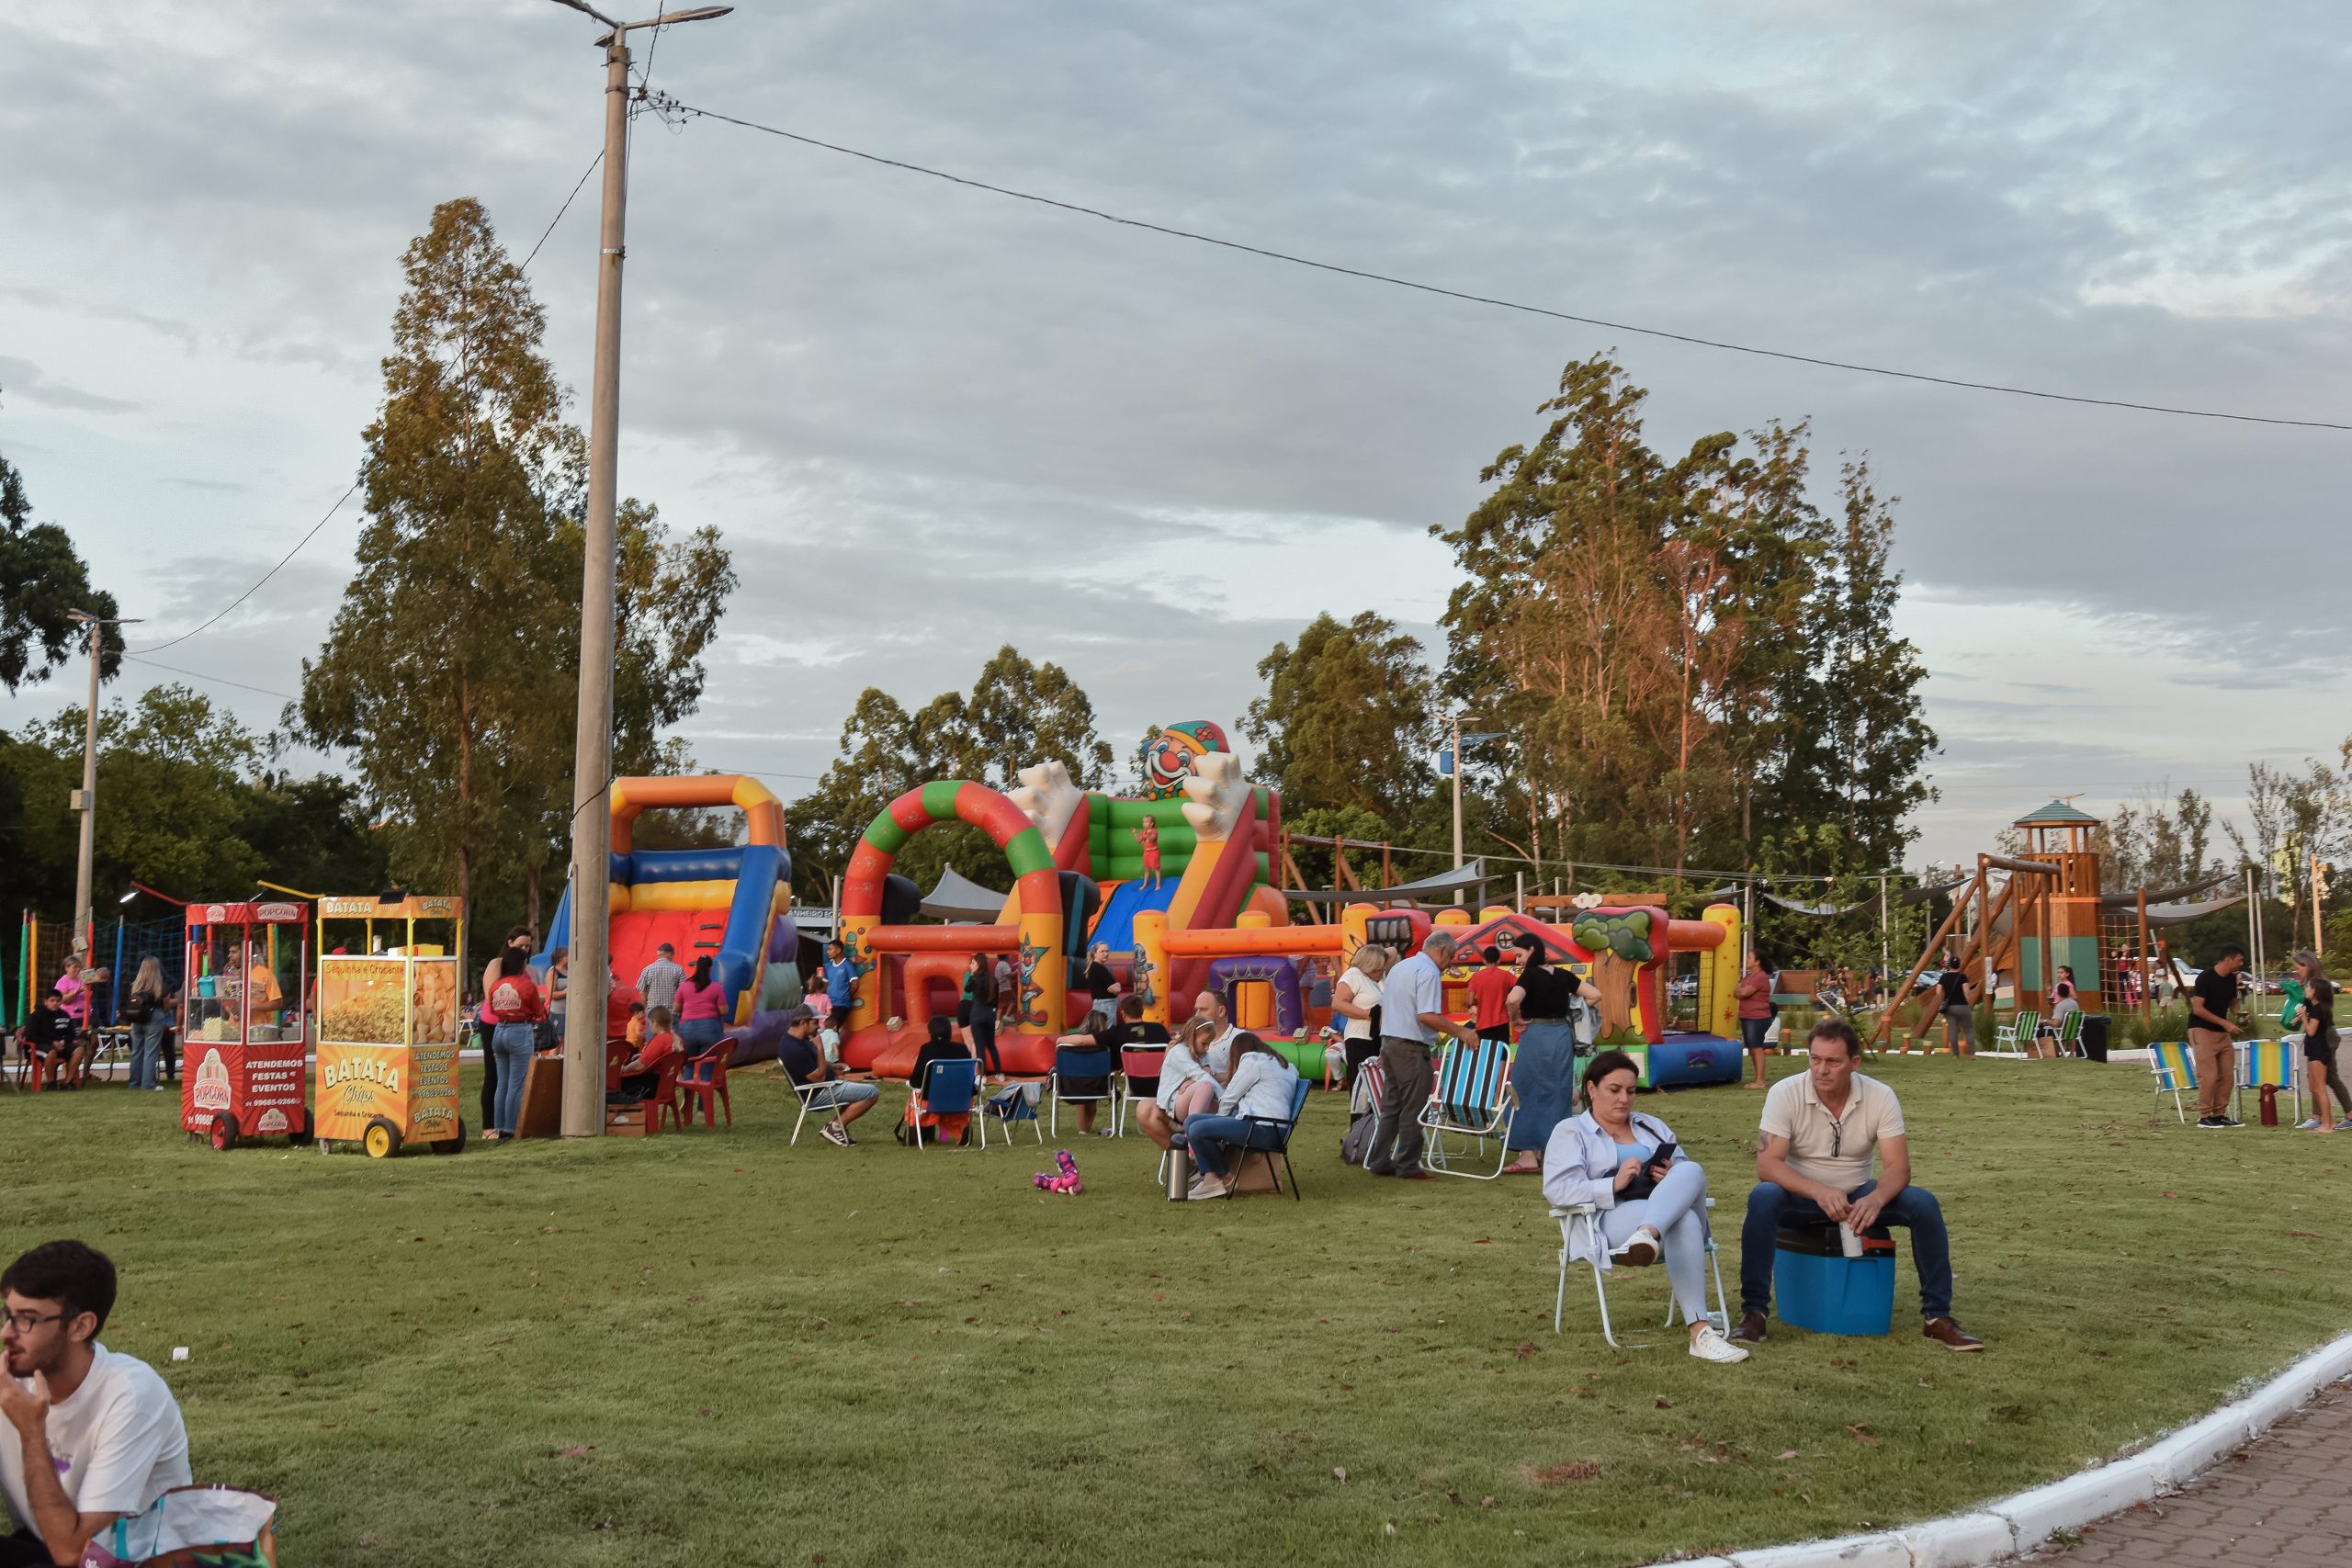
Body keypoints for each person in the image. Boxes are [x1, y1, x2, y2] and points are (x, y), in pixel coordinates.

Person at [1731, 1018, 1981, 1351]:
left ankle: (1938, 1317)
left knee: (1923, 1204)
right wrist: (1818, 1190)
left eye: (1833, 1062)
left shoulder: (1880, 1096)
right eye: (1815, 1059)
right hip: (1802, 1198)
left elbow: (1898, 1167)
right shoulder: (1785, 1093)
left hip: (1858, 1195)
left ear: (1855, 1063)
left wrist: (1876, 1199)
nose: (1821, 1070)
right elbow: (1768, 1164)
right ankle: (1754, 1313)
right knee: (1764, 1196)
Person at [1541, 1051, 1748, 1364]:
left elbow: (1687, 1178)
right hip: (1609, 1222)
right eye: (1615, 1090)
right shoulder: (1571, 1132)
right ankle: (1701, 1331)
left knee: (1690, 1172)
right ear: (1592, 1089)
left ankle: (1650, 1238)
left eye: (1631, 1091)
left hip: (1658, 1221)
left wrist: (1668, 1175)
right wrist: (1613, 1184)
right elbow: (1558, 1190)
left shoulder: (1651, 1126)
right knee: (1685, 1220)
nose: (1624, 1099)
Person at [0, 1241, 190, 1568]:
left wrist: (31, 1431)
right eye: (8, 1315)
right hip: (46, 1545)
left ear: (80, 1326)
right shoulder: (12, 1382)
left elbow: (74, 1554)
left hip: (129, 1558)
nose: (7, 1333)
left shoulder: (131, 1396)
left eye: (27, 1320)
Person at [1364, 931, 1476, 1181]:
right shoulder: (1429, 973)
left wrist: (1386, 1041)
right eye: (1451, 957)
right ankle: (1408, 1165)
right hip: (1411, 1046)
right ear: (1442, 951)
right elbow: (1426, 1016)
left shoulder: (1400, 967)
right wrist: (1461, 1031)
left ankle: (1379, 1160)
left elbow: (1387, 1008)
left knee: (1392, 1106)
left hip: (1390, 1041)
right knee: (1414, 1107)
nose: (1450, 963)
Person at [1500, 932, 1600, 1176]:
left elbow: (1512, 999)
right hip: (1561, 1037)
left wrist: (1515, 1019)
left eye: (1519, 955)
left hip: (1536, 1034)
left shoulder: (1530, 975)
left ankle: (1527, 1155)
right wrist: (1574, 1012)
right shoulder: (1564, 975)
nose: (1518, 961)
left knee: (1524, 1091)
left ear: (1531, 950)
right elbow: (1595, 995)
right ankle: (1550, 1153)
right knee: (1557, 1093)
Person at [1180, 1032, 1301, 1201]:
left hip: (1261, 1128)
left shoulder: (1252, 1061)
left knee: (1197, 1129)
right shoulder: (1285, 1065)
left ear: (1238, 1052)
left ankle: (1223, 1178)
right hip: (1275, 1129)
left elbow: (1229, 1098)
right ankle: (1212, 1179)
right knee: (1191, 1121)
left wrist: (1220, 1121)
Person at [777, 1005, 876, 1148]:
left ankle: (837, 1127)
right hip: (816, 1094)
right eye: (815, 1022)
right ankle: (835, 1127)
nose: (819, 1027)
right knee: (872, 1093)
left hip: (826, 1087)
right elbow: (819, 1077)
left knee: (863, 1092)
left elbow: (813, 1062)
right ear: (803, 1023)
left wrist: (833, 1067)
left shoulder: (801, 1038)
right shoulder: (792, 1049)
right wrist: (820, 1048)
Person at [481, 949, 546, 1142]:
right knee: (516, 1085)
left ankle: (498, 1126)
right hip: (519, 1031)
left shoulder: (496, 986)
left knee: (501, 1083)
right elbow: (538, 1011)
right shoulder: (526, 985)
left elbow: (492, 1007)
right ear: (521, 964)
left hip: (499, 1030)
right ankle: (510, 1129)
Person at [475, 928, 533, 1141]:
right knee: (494, 1074)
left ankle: (510, 1125)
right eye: (520, 945)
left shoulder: (527, 968)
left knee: (515, 1078)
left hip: (519, 1027)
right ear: (509, 943)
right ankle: (489, 1127)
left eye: (527, 946)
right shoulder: (496, 964)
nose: (524, 949)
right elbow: (492, 995)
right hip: (494, 1024)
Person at [1136, 1017, 1221, 1150]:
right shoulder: (1178, 1052)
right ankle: (1192, 1135)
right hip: (1174, 1105)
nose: (1207, 1048)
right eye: (1204, 1043)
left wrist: (1195, 1079)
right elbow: (1201, 1075)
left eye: (1209, 1044)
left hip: (1188, 1100)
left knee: (1208, 1088)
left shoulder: (1202, 1053)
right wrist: (1224, 1098)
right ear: (1192, 1037)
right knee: (1206, 1086)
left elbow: (1208, 1073)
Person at [2187, 944, 2246, 1129]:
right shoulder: (2205, 978)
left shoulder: (2231, 979)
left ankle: (2219, 1115)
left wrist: (2238, 1015)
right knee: (2209, 1075)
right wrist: (2224, 1022)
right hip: (2201, 1030)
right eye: (2239, 960)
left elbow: (2233, 1002)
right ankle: (2205, 1116)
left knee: (2227, 1076)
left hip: (2222, 1033)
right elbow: (2198, 1009)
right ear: (2228, 959)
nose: (2241, 964)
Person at [2289, 952, 2346, 1134]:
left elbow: (2312, 1030)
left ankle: (2326, 1123)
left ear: (2315, 991)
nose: (2305, 989)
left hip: (2320, 1047)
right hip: (2316, 1047)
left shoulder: (2318, 1007)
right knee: (2316, 1084)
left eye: (2308, 988)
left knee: (2321, 1086)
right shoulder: (2318, 1005)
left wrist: (2304, 1018)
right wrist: (2301, 1017)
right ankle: (2326, 1121)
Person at [901, 1016, 978, 1146]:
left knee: (916, 1099)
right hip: (961, 1101)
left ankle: (915, 1127)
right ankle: (962, 1127)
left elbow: (916, 1080)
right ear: (950, 1032)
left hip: (932, 1101)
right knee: (952, 1107)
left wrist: (913, 1084)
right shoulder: (962, 1049)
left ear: (930, 1033)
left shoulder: (927, 1049)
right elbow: (969, 1077)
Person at [1331, 945, 1387, 1079]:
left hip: (1378, 1037)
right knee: (1362, 1083)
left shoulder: (1380, 978)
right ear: (1371, 965)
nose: (1384, 969)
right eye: (1380, 966)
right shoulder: (1354, 975)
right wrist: (1367, 1014)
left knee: (1378, 1083)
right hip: (1360, 1039)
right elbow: (1338, 1003)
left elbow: (1393, 952)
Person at [121, 960, 172, 1094]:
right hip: (154, 1017)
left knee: (136, 1051)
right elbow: (166, 1005)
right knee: (151, 1052)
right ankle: (148, 1083)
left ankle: (134, 1083)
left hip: (136, 1019)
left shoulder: (135, 985)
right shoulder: (160, 986)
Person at [612, 1007, 681, 1102]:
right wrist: (643, 1055)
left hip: (652, 1086)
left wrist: (623, 1069)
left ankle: (625, 1111)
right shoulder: (675, 1039)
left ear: (654, 1022)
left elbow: (640, 1065)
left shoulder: (660, 1040)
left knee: (614, 1084)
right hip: (667, 1084)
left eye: (649, 1023)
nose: (649, 1026)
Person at [19, 997, 80, 1092]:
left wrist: (64, 1041)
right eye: (52, 1000)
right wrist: (52, 1043)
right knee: (51, 1051)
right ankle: (51, 1083)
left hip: (59, 1045)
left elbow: (71, 1034)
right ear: (45, 1001)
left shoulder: (64, 1015)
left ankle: (68, 1082)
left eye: (58, 1001)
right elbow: (30, 1036)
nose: (55, 1003)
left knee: (79, 1050)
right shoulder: (35, 1016)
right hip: (37, 1046)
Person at [672, 956, 728, 1057]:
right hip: (710, 1028)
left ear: (696, 967)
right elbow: (723, 1011)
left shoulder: (684, 985)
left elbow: (676, 1008)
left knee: (688, 1062)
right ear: (711, 968)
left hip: (687, 1028)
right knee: (708, 1063)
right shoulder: (716, 987)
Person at [1734, 951, 1774, 1088]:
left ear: (1757, 962)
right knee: (1752, 1048)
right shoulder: (1748, 977)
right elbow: (1736, 992)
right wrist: (1739, 991)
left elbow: (1743, 992)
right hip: (1747, 1016)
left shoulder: (1761, 977)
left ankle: (1760, 1081)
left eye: (1749, 957)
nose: (1746, 959)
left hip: (1757, 1017)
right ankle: (1758, 1078)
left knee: (1756, 1047)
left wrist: (1740, 991)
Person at [958, 953, 1002, 1078]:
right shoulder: (993, 979)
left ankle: (982, 1075)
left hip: (977, 1013)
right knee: (991, 1045)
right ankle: (999, 1073)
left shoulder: (973, 978)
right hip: (989, 1013)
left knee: (979, 1046)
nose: (970, 966)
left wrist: (972, 975)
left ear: (979, 965)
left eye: (973, 963)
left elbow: (967, 989)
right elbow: (996, 999)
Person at [1466, 945, 1517, 1046]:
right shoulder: (1507, 976)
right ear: (1498, 960)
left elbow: (1469, 1001)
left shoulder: (1476, 977)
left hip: (1483, 1023)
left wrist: (1478, 1001)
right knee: (1502, 1052)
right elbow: (1519, 989)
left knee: (1485, 1052)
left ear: (1484, 960)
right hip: (1502, 1022)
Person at [1192, 987, 1241, 1080]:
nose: (1197, 1015)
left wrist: (1209, 1076)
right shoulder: (1190, 1039)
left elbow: (1245, 1075)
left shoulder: (1240, 1038)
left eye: (1203, 1009)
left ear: (1221, 1011)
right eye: (1196, 1010)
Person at [1929, 953, 1973, 1055]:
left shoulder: (1944, 977)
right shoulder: (1962, 977)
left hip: (1949, 1007)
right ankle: (1972, 1054)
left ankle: (1955, 1055)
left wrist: (1942, 1000)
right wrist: (1969, 1004)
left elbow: (1938, 992)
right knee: (1968, 1030)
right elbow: (1967, 992)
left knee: (1953, 1030)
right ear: (1959, 965)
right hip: (1962, 1006)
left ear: (1949, 965)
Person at [2035, 965, 2081, 1059]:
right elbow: (2054, 998)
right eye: (2058, 972)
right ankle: (2061, 1052)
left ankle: (2061, 1052)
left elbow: (2075, 997)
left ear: (2067, 974)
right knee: (2067, 1029)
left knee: (2048, 1026)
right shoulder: (2057, 985)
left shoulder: (2068, 985)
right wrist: (2049, 992)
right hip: (2058, 1010)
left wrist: (2063, 1002)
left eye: (2061, 972)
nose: (2059, 974)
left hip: (2062, 1011)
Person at [636, 943, 684, 1021]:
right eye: (673, 955)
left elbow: (642, 994)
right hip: (672, 1014)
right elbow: (683, 992)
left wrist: (647, 1009)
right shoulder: (678, 969)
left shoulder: (647, 970)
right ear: (669, 954)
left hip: (653, 1013)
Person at [1081, 943, 1120, 1032]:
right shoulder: (1098, 968)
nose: (1106, 954)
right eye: (1102, 951)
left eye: (1107, 951)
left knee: (1101, 1029)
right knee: (1108, 1031)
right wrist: (1117, 986)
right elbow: (1117, 989)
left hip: (1102, 1004)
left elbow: (1116, 987)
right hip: (1105, 1004)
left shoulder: (1096, 967)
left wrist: (1117, 985)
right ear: (1095, 953)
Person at [821, 941, 857, 1034]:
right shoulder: (828, 966)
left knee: (832, 1029)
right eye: (828, 949)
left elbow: (855, 984)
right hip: (829, 1004)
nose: (827, 952)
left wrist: (845, 995)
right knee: (826, 1030)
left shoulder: (847, 965)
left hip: (841, 1005)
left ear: (838, 950)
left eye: (830, 949)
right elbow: (825, 985)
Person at [542, 946, 570, 1048]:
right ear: (561, 958)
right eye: (567, 955)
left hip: (569, 1010)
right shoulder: (552, 972)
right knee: (558, 1040)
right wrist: (567, 992)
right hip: (558, 1011)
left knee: (567, 1040)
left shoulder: (569, 970)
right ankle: (553, 1058)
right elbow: (551, 994)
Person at [1136, 815, 1162, 891]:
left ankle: (1158, 884)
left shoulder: (1154, 831)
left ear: (1152, 824)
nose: (1144, 824)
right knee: (1147, 869)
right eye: (1143, 822)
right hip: (1146, 853)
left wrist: (1147, 834)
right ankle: (1145, 884)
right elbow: (1138, 841)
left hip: (1154, 852)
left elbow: (1151, 839)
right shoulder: (1143, 832)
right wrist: (1135, 833)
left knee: (1156, 868)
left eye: (1146, 822)